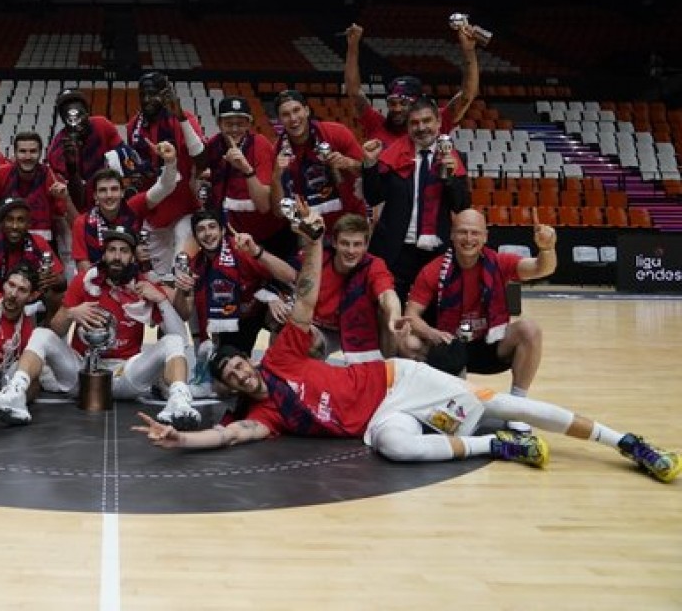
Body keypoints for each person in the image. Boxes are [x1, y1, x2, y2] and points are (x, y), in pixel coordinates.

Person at [130, 209, 680, 486]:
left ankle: (625, 441)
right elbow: (229, 435)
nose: (240, 373)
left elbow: (305, 298)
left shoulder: (281, 357)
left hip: (396, 381)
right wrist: (183, 438)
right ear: (230, 387)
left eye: (238, 364)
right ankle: (497, 446)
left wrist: (313, 243)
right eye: (230, 375)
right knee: (396, 446)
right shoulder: (264, 414)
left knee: (501, 407)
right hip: (380, 421)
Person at [0, 226, 200, 430]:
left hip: (125, 373)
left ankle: (179, 403)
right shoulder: (84, 281)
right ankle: (15, 396)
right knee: (41, 333)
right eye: (111, 250)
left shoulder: (143, 286)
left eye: (123, 251)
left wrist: (161, 300)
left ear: (132, 257)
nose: (117, 256)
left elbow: (179, 338)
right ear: (103, 255)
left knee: (172, 342)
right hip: (82, 373)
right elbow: (55, 331)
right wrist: (71, 313)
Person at [401, 208, 555, 397]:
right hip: (449, 344)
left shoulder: (498, 263)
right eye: (462, 232)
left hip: (489, 344)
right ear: (452, 235)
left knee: (530, 330)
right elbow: (411, 315)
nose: (468, 239)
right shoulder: (433, 270)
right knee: (408, 343)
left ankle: (518, 400)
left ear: (485, 236)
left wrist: (547, 249)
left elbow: (541, 268)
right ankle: (436, 393)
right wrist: (431, 333)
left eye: (475, 233)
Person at [362, 96, 469, 303]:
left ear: (438, 122)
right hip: (395, 250)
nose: (421, 128)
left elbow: (462, 206)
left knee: (430, 312)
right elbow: (374, 197)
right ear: (408, 126)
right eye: (414, 123)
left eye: (426, 121)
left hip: (436, 251)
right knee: (389, 310)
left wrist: (451, 178)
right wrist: (369, 165)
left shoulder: (456, 157)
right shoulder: (392, 153)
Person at [172, 209, 297, 358]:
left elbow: (291, 275)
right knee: (227, 363)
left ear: (223, 231)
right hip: (233, 321)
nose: (207, 233)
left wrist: (271, 293)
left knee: (286, 319)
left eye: (212, 227)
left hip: (260, 307)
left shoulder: (241, 249)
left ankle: (278, 365)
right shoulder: (195, 267)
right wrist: (180, 289)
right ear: (196, 237)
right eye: (201, 229)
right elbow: (184, 313)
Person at [342, 22, 479, 149]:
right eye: (392, 103)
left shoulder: (434, 123)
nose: (397, 109)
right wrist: (352, 45)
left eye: (403, 103)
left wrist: (469, 51)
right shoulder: (376, 124)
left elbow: (467, 95)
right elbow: (354, 92)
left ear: (418, 103)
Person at [124, 72, 207, 275]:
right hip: (153, 210)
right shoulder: (134, 125)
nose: (147, 100)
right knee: (155, 275)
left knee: (181, 269)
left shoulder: (183, 119)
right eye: (143, 95)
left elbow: (202, 161)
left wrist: (181, 118)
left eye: (152, 94)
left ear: (164, 94)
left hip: (184, 207)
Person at [70, 144, 180, 276]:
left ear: (122, 192)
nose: (109, 195)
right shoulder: (81, 223)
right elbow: (84, 271)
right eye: (103, 190)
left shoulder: (133, 207)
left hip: (132, 279)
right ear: (95, 196)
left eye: (114, 189)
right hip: (96, 282)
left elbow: (165, 187)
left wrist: (170, 162)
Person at [269, 89, 366, 234]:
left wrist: (348, 163)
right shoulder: (277, 152)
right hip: (309, 229)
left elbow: (369, 172)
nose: (293, 118)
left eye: (296, 110)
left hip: (350, 221)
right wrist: (276, 177)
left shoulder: (336, 133)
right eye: (286, 114)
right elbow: (279, 212)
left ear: (307, 110)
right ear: (279, 120)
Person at [310, 213, 402, 364]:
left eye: (357, 244)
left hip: (357, 329)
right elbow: (293, 275)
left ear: (366, 246)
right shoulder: (320, 257)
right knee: (294, 334)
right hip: (320, 326)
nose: (351, 251)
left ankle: (384, 366)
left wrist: (395, 315)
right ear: (334, 243)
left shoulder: (374, 264)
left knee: (386, 316)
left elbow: (387, 294)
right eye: (345, 243)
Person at [0, 196, 65, 316]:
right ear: (2, 223)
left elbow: (62, 282)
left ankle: (48, 326)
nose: (15, 226)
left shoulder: (38, 243)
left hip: (29, 301)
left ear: (29, 224)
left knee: (58, 294)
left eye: (20, 220)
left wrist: (55, 280)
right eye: (9, 220)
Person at [202, 96, 279, 247]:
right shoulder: (214, 144)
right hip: (230, 233)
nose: (235, 129)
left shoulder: (259, 144)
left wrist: (246, 169)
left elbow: (264, 205)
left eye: (240, 124)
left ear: (249, 124)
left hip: (265, 235)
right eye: (229, 124)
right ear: (219, 123)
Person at [0, 131, 70, 243]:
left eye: (33, 151)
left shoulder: (54, 179)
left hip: (42, 240)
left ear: (40, 153)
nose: (28, 157)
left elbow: (63, 221)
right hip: (6, 239)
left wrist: (66, 198)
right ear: (15, 153)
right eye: (22, 151)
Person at [46, 88, 126, 210]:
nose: (77, 122)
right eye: (70, 117)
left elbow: (124, 156)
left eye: (80, 115)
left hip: (113, 196)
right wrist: (72, 167)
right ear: (63, 119)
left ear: (88, 113)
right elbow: (76, 199)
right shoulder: (57, 150)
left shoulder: (102, 125)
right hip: (84, 207)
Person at [0, 265, 42, 396]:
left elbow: (34, 385)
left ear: (32, 296)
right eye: (11, 285)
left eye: (22, 290)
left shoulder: (27, 333)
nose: (13, 294)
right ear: (3, 285)